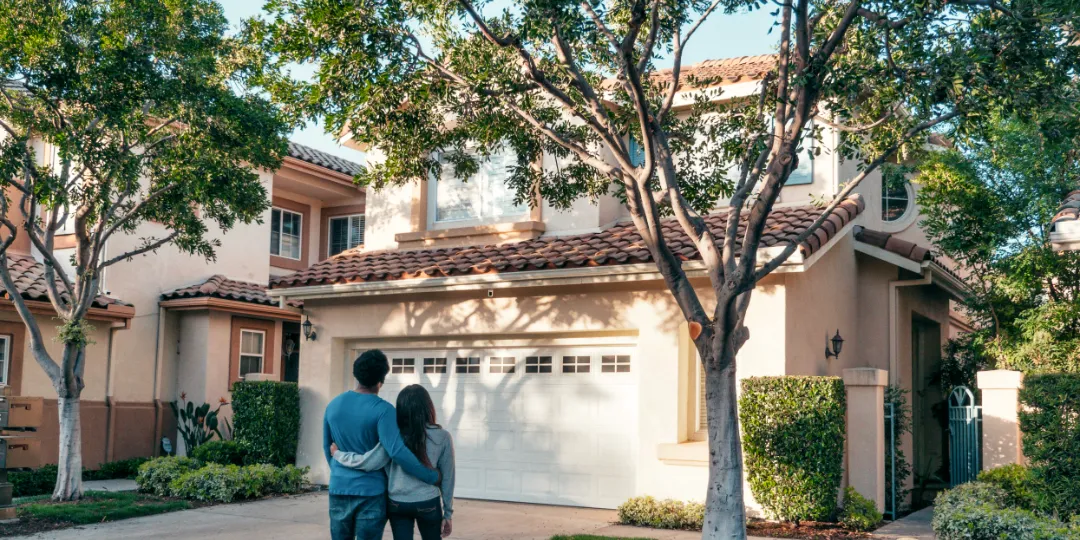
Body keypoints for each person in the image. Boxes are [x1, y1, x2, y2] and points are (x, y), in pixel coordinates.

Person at [324, 350, 440, 540]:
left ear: (356, 374)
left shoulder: (333, 405)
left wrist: (341, 473)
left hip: (339, 487)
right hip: (371, 493)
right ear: (381, 380)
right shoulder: (384, 410)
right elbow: (397, 452)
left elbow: (326, 448)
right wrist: (429, 475)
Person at [331, 384, 455, 540]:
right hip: (428, 503)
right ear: (428, 407)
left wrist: (338, 454)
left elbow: (368, 462)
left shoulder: (393, 436)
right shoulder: (442, 436)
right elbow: (448, 477)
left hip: (398, 503)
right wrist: (448, 513)